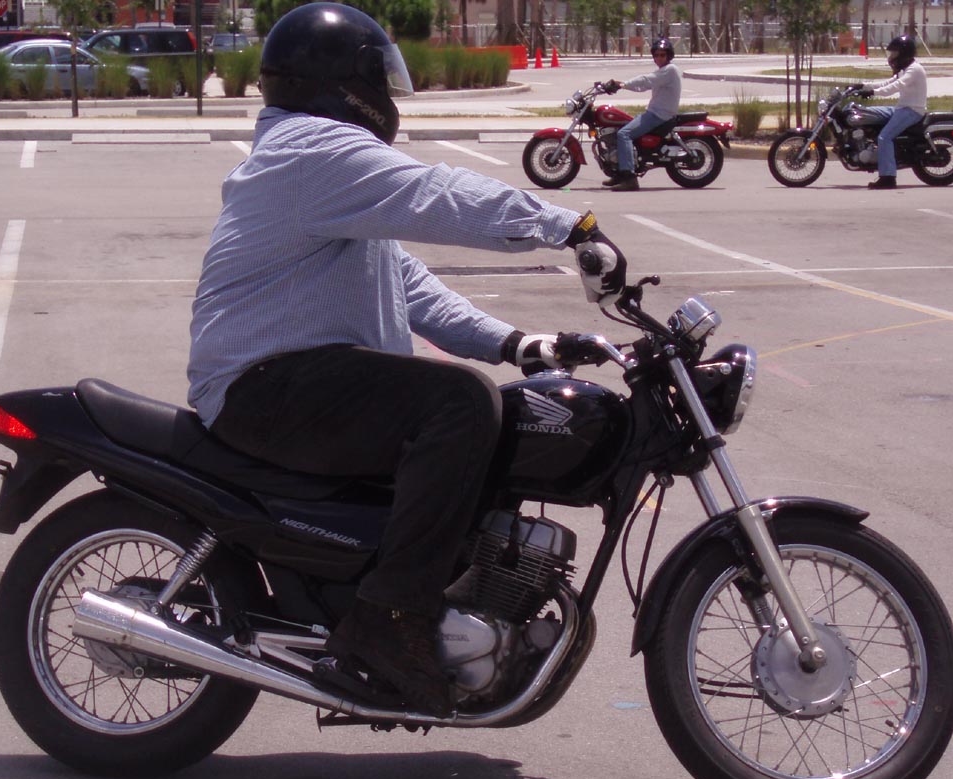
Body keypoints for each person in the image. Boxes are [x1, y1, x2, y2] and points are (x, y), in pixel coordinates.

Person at [188, 3, 626, 717]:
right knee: (459, 403)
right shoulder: (314, 151)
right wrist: (567, 227)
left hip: (289, 382)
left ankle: (444, 598)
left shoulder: (318, 164)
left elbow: (406, 283)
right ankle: (390, 619)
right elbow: (436, 194)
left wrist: (516, 343)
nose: (388, 99)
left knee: (490, 411)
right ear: (344, 83)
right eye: (379, 81)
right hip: (264, 388)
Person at [603, 37, 682, 191]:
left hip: (659, 115)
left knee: (624, 134)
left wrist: (622, 84)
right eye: (656, 55)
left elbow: (646, 80)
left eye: (662, 55)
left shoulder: (670, 70)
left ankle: (629, 178)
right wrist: (622, 86)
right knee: (620, 128)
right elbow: (643, 86)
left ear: (669, 55)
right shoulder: (664, 71)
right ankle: (619, 173)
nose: (659, 58)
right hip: (656, 113)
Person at [857, 34, 927, 190]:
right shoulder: (905, 69)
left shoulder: (914, 70)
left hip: (912, 110)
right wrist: (863, 86)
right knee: (868, 113)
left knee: (885, 137)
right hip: (901, 108)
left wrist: (873, 93)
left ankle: (888, 178)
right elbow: (887, 83)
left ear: (904, 53)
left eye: (895, 53)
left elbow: (895, 87)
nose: (892, 57)